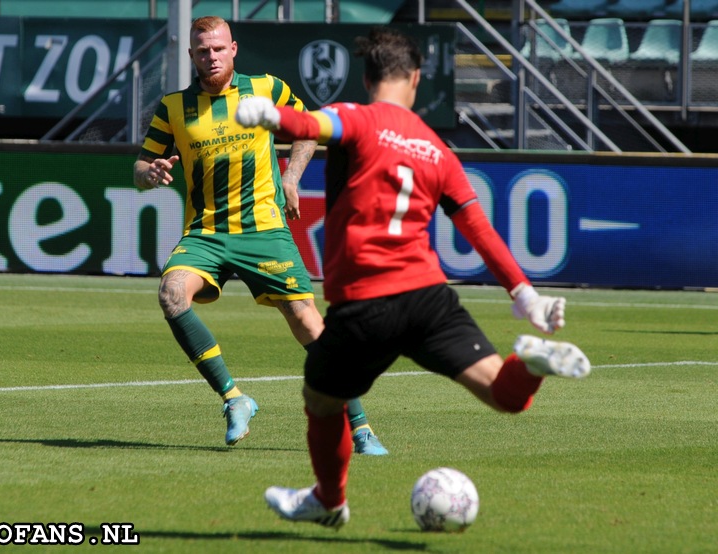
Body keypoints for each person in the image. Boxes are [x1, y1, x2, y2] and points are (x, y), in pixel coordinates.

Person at [235, 26, 591, 528]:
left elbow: (311, 125)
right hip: (428, 297)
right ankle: (530, 364)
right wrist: (525, 294)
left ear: (366, 76)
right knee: (503, 395)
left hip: (366, 303)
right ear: (416, 78)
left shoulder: (356, 117)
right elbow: (477, 226)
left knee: (320, 397)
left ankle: (330, 500)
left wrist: (272, 116)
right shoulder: (435, 147)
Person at [133, 16, 387, 455]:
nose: (209, 57)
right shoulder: (173, 107)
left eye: (217, 49)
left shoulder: (266, 87)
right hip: (206, 232)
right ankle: (235, 399)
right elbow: (139, 168)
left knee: (308, 322)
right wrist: (149, 172)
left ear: (233, 49)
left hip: (263, 228)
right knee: (172, 294)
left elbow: (309, 127)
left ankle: (361, 427)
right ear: (191, 55)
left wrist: (292, 177)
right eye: (201, 51)